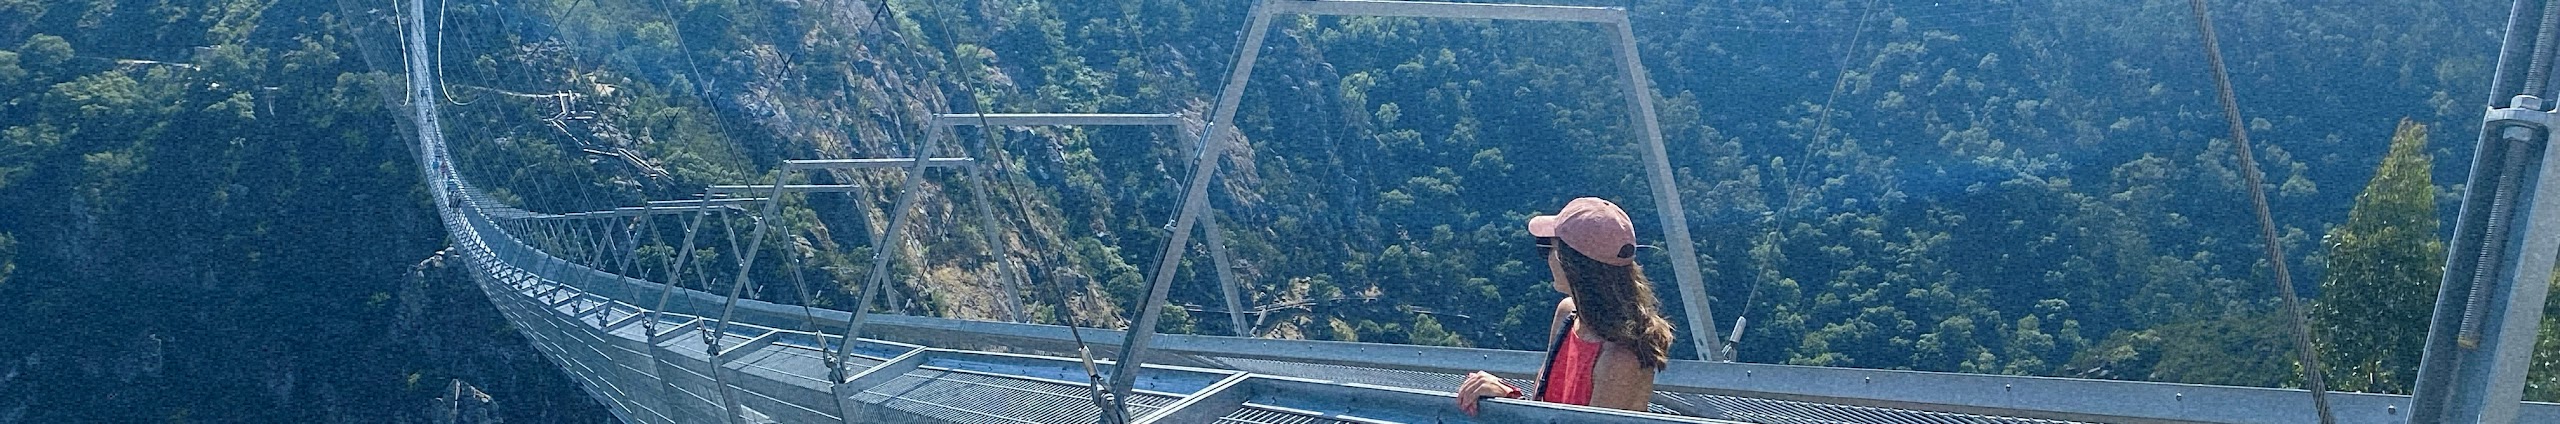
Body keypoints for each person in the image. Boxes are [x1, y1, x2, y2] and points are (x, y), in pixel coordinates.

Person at [1454, 197, 1677, 415]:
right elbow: (1545, 409)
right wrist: (1507, 396)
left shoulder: (1621, 357)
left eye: (1547, 248)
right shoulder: (1568, 314)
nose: (1547, 259)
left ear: (1570, 263)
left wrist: (1511, 399)